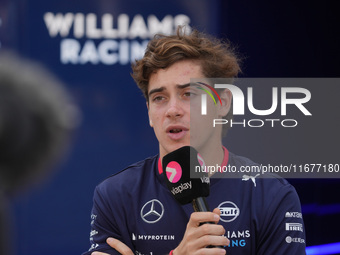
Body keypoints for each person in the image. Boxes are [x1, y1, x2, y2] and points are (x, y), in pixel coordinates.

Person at [83, 27, 306, 255]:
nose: (172, 110)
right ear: (149, 112)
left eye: (188, 94)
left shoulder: (272, 195)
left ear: (223, 103)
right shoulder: (115, 195)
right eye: (159, 98)